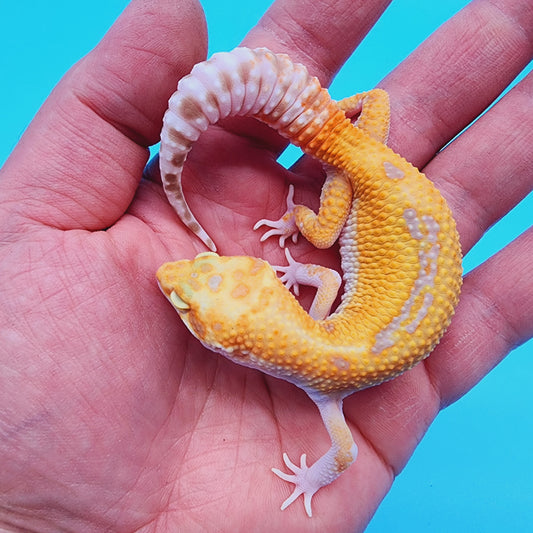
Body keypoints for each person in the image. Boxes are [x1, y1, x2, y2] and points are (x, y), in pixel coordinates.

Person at [0, 0, 531, 531]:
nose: (168, 280)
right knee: (324, 214)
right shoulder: (328, 369)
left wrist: (312, 481)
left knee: (323, 223)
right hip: (396, 203)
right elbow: (338, 436)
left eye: (186, 305)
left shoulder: (326, 379)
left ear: (227, 346)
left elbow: (341, 451)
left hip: (391, 200)